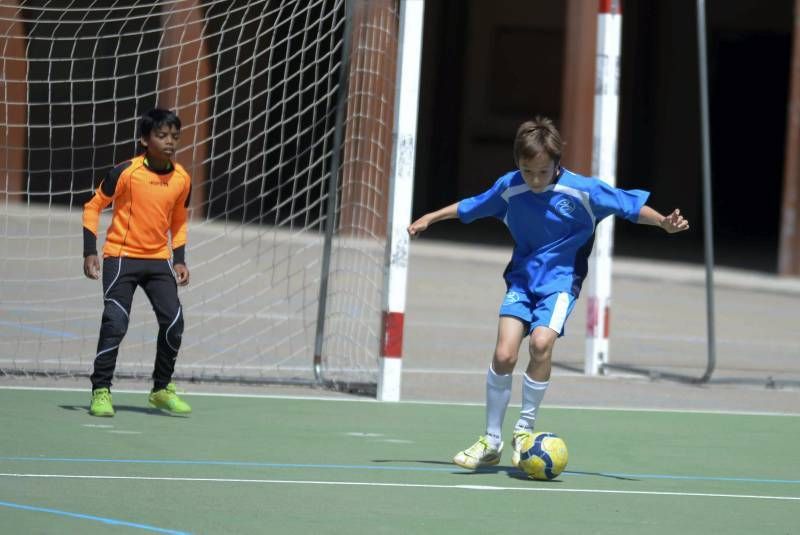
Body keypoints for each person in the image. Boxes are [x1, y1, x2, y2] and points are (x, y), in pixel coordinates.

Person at [407, 116, 689, 470]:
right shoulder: (510, 188)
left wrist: (663, 221)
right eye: (528, 172)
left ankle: (524, 430)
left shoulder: (584, 191)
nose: (535, 180)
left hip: (560, 283)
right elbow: (470, 206)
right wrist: (430, 218)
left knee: (541, 344)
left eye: (543, 172)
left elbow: (629, 207)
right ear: (518, 165)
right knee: (505, 354)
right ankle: (491, 440)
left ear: (558, 163)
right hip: (522, 281)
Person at [82, 108, 193, 417]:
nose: (169, 142)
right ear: (145, 139)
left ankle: (161, 389)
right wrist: (89, 251)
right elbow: (93, 207)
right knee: (115, 323)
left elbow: (179, 221)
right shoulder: (125, 172)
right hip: (121, 257)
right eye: (161, 135)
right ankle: (101, 390)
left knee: (174, 323)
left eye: (174, 136)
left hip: (159, 260)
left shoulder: (182, 178)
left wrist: (180, 260)